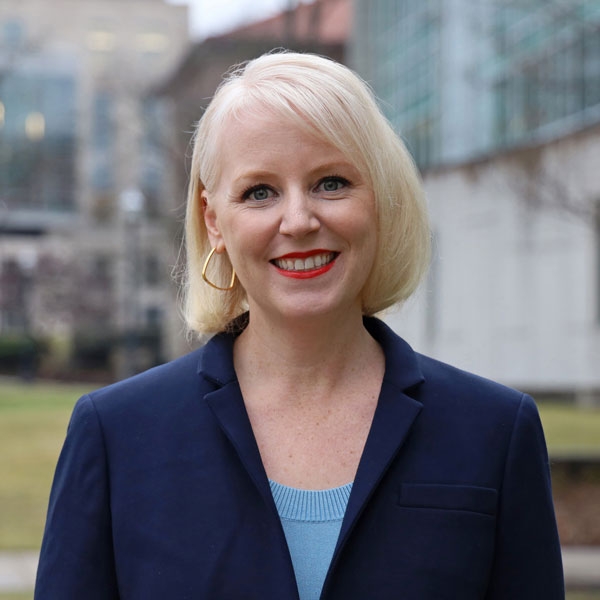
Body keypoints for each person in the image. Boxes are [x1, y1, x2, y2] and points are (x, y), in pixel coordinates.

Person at [35, 51, 564, 599]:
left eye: (331, 183)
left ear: (379, 198)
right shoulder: (116, 435)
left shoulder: (495, 433)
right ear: (214, 220)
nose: (299, 221)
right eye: (259, 192)